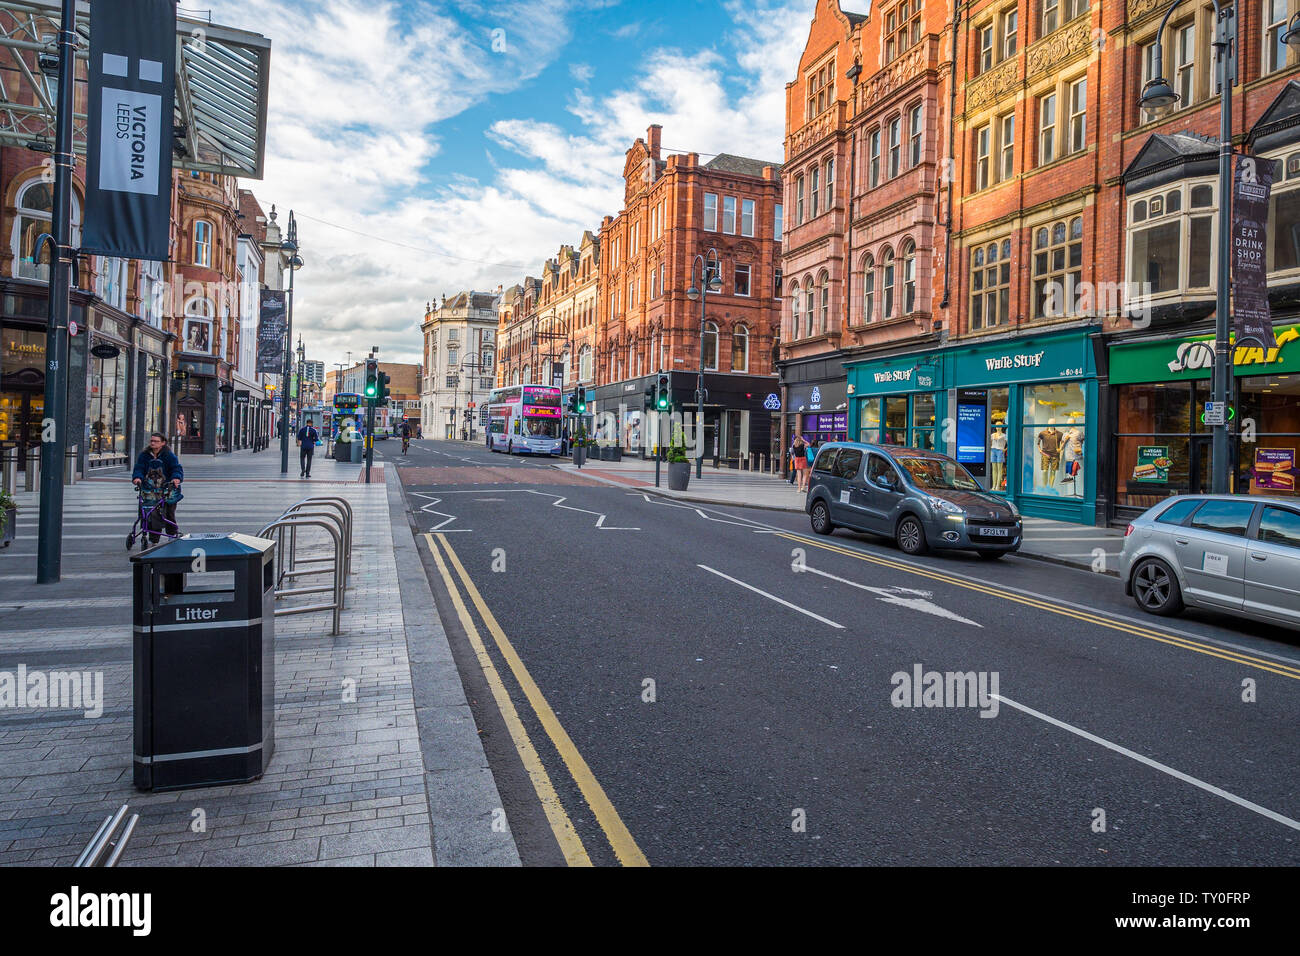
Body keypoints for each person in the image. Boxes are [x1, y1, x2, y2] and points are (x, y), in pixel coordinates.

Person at [132, 432, 183, 543]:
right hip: (149, 489)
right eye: (151, 441)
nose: (153, 443)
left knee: (169, 513)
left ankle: (172, 534)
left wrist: (176, 478)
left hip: (167, 489)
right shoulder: (144, 455)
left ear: (163, 443)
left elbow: (176, 468)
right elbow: (139, 468)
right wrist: (137, 478)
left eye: (156, 441)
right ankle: (153, 539)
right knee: (152, 513)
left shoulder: (169, 455)